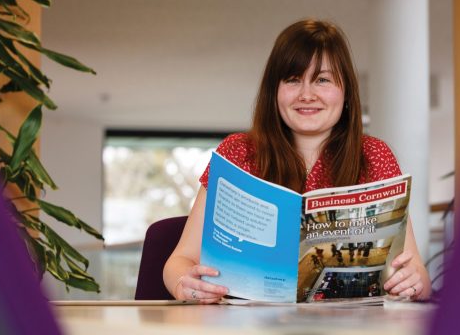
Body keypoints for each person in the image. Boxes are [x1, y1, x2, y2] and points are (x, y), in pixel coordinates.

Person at [163, 19, 431, 303]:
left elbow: (417, 275)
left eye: (322, 80)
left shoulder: (374, 156)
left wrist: (415, 281)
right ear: (274, 91)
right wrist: (184, 282)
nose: (306, 94)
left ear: (346, 91)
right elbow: (179, 260)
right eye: (292, 79)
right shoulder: (237, 153)